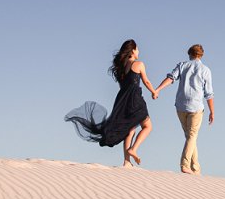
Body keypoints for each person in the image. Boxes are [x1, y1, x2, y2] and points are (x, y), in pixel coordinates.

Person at [65, 39, 156, 167]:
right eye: (137, 49)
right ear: (133, 50)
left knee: (130, 130)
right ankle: (133, 149)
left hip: (123, 101)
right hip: (135, 99)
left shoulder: (121, 68)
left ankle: (126, 161)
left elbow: (123, 87)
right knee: (148, 126)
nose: (139, 51)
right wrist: (154, 92)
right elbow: (146, 81)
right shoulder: (139, 64)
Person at [154, 44, 214, 174]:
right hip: (196, 107)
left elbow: (171, 78)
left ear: (190, 54)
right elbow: (208, 93)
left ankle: (195, 168)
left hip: (181, 106)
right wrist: (212, 111)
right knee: (192, 136)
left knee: (190, 137)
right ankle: (185, 164)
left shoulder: (182, 65)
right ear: (201, 55)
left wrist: (158, 89)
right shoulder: (205, 70)